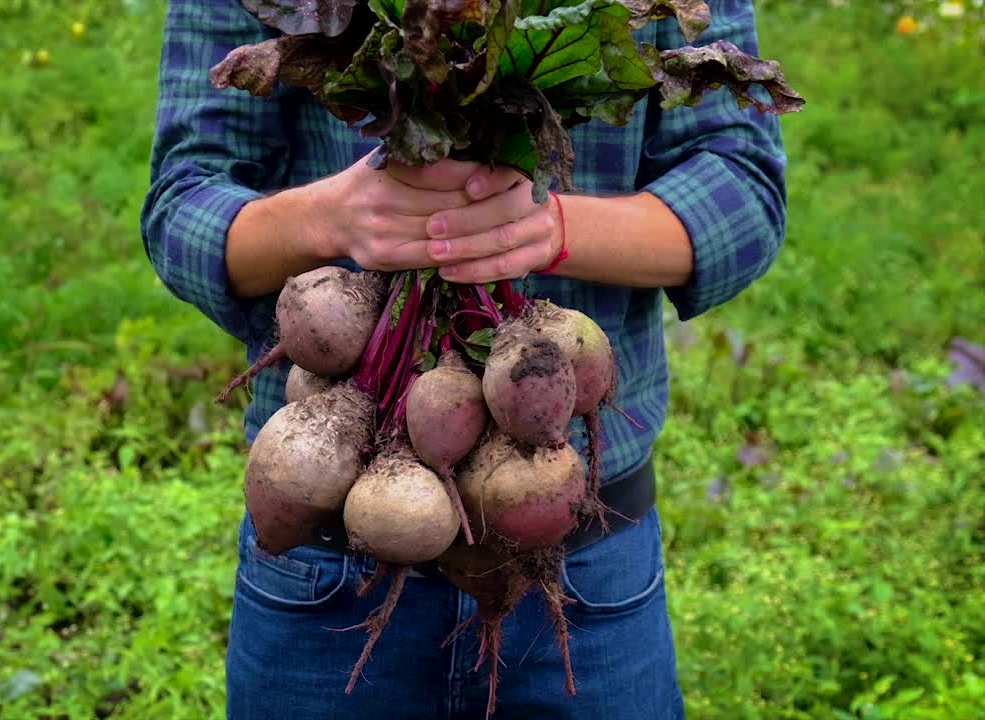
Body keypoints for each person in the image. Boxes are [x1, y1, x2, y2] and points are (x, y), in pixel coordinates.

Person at [141, 0, 787, 717]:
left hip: (579, 533)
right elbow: (180, 211)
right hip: (327, 542)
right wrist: (330, 217)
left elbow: (745, 194)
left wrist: (552, 229)